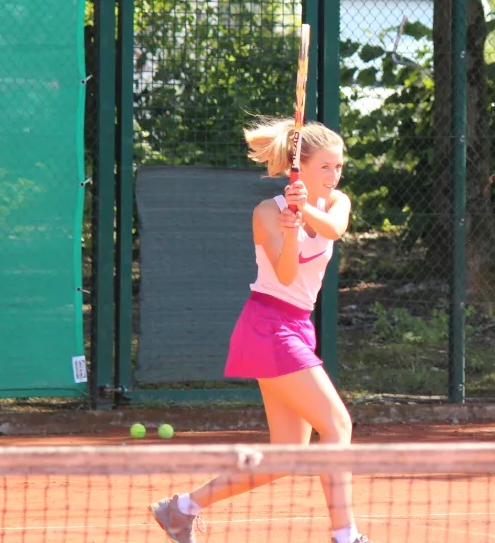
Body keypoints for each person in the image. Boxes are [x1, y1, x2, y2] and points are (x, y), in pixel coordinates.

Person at [150, 119, 373, 543]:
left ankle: (181, 509)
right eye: (325, 167)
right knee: (338, 423)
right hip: (269, 325)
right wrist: (290, 231)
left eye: (338, 167)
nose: (334, 175)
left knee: (286, 456)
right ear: (299, 167)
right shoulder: (267, 212)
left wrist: (304, 210)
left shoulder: (335, 202)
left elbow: (335, 229)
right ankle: (346, 536)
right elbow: (286, 275)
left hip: (298, 326)